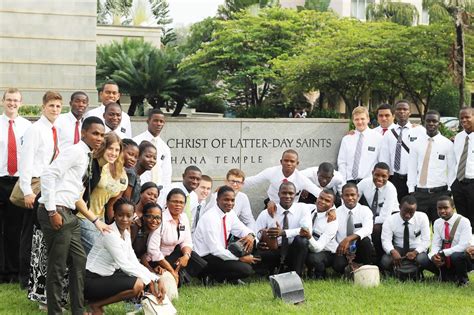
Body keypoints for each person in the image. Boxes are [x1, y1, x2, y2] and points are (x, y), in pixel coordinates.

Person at [36, 116, 106, 314]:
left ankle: (78, 309)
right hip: (56, 211)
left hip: (70, 214)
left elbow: (74, 192)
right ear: (83, 133)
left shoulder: (87, 155)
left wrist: (95, 220)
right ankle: (55, 311)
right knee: (57, 267)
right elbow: (48, 175)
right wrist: (52, 211)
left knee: (79, 260)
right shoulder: (75, 151)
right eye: (95, 133)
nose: (99, 138)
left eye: (101, 135)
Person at [85, 198, 167, 314]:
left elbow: (133, 261)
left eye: (128, 216)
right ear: (114, 214)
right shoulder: (109, 234)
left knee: (140, 280)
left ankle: (97, 304)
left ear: (133, 216)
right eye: (120, 215)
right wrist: (152, 279)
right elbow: (125, 265)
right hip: (91, 280)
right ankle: (95, 305)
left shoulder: (126, 234)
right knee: (138, 284)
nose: (124, 219)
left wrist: (157, 279)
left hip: (105, 276)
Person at [18, 91, 62, 290]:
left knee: (40, 233)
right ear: (43, 107)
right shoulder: (35, 130)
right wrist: (26, 190)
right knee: (29, 233)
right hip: (34, 186)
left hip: (47, 186)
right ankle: (25, 278)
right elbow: (25, 161)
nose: (54, 109)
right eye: (51, 105)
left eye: (58, 106)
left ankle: (35, 274)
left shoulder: (54, 129)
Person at [193, 186, 258, 284]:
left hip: (221, 252)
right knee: (246, 270)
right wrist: (240, 259)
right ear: (217, 199)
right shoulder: (210, 218)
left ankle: (225, 276)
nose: (230, 203)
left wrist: (251, 236)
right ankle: (212, 277)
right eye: (226, 200)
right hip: (206, 257)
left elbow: (242, 230)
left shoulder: (230, 213)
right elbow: (216, 250)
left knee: (252, 246)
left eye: (232, 200)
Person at [0, 88, 31, 284]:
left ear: (21, 103)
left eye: (16, 100)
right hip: (0, 178)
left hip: (19, 182)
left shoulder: (27, 126)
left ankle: (13, 271)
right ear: (3, 101)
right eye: (9, 100)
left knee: (15, 228)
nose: (12, 103)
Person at [79, 132, 128, 254]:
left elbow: (113, 202)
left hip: (100, 218)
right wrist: (95, 221)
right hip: (82, 215)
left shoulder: (120, 170)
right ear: (103, 147)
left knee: (114, 250)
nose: (114, 153)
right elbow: (77, 197)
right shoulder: (93, 165)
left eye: (117, 150)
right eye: (110, 148)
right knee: (101, 253)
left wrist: (117, 228)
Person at [147, 189, 205, 286]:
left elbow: (187, 241)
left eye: (181, 202)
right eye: (174, 201)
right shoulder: (161, 219)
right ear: (167, 202)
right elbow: (152, 250)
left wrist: (186, 256)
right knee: (173, 282)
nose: (178, 205)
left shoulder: (184, 217)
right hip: (157, 259)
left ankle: (179, 272)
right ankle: (175, 273)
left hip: (173, 254)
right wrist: (171, 270)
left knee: (196, 260)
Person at [407, 110, 455, 224]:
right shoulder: (416, 144)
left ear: (439, 123)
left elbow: (452, 169)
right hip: (419, 193)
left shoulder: (447, 144)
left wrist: (449, 190)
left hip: (440, 193)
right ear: (424, 122)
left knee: (441, 228)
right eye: (428, 121)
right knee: (417, 228)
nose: (431, 124)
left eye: (434, 121)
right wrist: (411, 190)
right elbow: (412, 168)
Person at [255, 182, 312, 276]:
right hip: (274, 249)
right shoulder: (266, 213)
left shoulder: (303, 208)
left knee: (302, 240)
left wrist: (284, 233)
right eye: (284, 193)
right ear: (278, 194)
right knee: (257, 253)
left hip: (294, 250)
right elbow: (255, 232)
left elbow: (305, 230)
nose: (287, 196)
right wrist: (258, 244)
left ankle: (296, 275)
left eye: (291, 193)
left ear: (296, 194)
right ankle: (269, 271)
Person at [421, 196, 472, 286]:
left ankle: (463, 281)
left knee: (456, 256)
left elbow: (464, 245)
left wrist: (444, 252)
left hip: (462, 258)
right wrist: (434, 256)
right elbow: (436, 244)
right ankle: (445, 275)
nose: (442, 211)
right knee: (423, 259)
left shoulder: (464, 221)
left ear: (453, 208)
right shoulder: (437, 222)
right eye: (439, 208)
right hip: (445, 257)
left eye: (445, 208)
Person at [380, 100, 423, 201]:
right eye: (399, 109)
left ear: (410, 112)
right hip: (394, 178)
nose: (402, 112)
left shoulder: (419, 131)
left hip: (413, 178)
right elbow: (384, 158)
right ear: (394, 112)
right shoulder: (389, 133)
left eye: (405, 109)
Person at [357, 162, 399, 264]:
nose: (380, 179)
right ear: (372, 173)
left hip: (390, 216)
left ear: (388, 176)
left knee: (376, 229)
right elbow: (353, 197)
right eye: (377, 175)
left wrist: (368, 223)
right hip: (372, 215)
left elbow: (385, 217)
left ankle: (379, 260)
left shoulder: (391, 189)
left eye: (384, 176)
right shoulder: (364, 183)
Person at [244, 149, 321, 204]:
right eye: (286, 160)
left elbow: (319, 193)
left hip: (291, 208)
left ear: (297, 163)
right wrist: (234, 183)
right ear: (281, 162)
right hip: (272, 204)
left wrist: (332, 209)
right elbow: (252, 181)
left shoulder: (302, 179)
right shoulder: (271, 172)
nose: (289, 163)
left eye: (292, 161)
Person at [380, 195, 431, 276]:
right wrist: (392, 251)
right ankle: (394, 272)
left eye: (411, 213)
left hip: (416, 248)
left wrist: (415, 252)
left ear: (415, 209)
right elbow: (386, 240)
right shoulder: (390, 220)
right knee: (385, 261)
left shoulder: (422, 217)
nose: (408, 215)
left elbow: (426, 240)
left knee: (422, 259)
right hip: (398, 248)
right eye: (405, 211)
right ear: (400, 207)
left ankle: (417, 272)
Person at [332, 183, 376, 274]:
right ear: (342, 196)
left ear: (358, 196)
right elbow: (331, 233)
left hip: (360, 249)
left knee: (366, 240)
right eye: (346, 195)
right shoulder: (336, 213)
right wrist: (340, 246)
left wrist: (348, 239)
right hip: (342, 249)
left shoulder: (365, 210)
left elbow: (368, 229)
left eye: (353, 195)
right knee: (338, 266)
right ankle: (349, 269)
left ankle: (366, 269)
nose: (350, 198)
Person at [299, 189, 338, 279]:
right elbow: (293, 206)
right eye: (321, 198)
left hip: (326, 251)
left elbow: (318, 248)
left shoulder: (332, 222)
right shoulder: (309, 208)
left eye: (327, 201)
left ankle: (320, 273)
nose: (322, 202)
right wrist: (271, 203)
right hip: (309, 246)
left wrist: (309, 237)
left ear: (332, 205)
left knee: (313, 258)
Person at [337, 106, 383, 183]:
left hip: (369, 182)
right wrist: (343, 184)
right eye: (356, 119)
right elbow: (342, 163)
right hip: (349, 182)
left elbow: (380, 162)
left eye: (362, 119)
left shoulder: (378, 138)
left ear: (368, 119)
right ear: (353, 121)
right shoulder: (347, 139)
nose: (359, 122)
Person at [133, 109, 172, 190]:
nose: (159, 124)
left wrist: (165, 191)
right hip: (138, 187)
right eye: (155, 121)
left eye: (161, 121)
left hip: (157, 190)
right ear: (148, 121)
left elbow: (166, 174)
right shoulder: (136, 142)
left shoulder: (165, 148)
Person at [451, 107, 474, 231]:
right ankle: (464, 248)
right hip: (459, 184)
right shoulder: (458, 137)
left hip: (472, 183)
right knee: (462, 220)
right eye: (461, 118)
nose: (464, 120)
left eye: (467, 117)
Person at [123, 141, 157, 205]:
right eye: (148, 156)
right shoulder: (131, 173)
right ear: (138, 156)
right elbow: (126, 202)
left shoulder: (136, 175)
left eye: (154, 158)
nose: (152, 160)